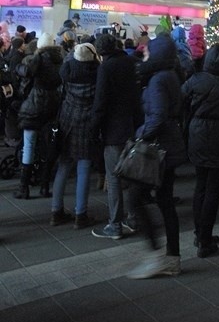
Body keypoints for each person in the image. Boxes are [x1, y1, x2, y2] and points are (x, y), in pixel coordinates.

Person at [127, 33, 187, 278]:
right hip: (170, 146)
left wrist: (140, 134)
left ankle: (155, 255)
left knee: (135, 197)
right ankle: (172, 258)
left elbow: (157, 116)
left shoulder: (158, 79)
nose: (146, 53)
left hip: (158, 149)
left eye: (149, 50)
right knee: (164, 201)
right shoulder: (170, 75)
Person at [181, 43, 219, 258]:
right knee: (214, 189)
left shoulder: (196, 80)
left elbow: (182, 101)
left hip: (197, 131)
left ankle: (200, 234)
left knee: (201, 185)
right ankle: (206, 238)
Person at [89, 32, 142, 240]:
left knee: (114, 178)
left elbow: (101, 102)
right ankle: (134, 217)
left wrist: (94, 128)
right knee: (131, 175)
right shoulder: (130, 62)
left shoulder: (106, 67)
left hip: (113, 129)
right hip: (131, 125)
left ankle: (115, 224)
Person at [50, 43, 100, 228]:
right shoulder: (97, 74)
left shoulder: (67, 71)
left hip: (67, 121)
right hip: (87, 124)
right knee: (84, 168)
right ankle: (81, 214)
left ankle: (56, 211)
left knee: (64, 165)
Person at [13, 33, 63, 199]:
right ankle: (44, 186)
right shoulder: (59, 59)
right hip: (53, 106)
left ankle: (24, 187)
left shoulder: (39, 58)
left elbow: (27, 72)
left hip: (35, 106)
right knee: (48, 147)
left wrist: (18, 67)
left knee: (29, 145)